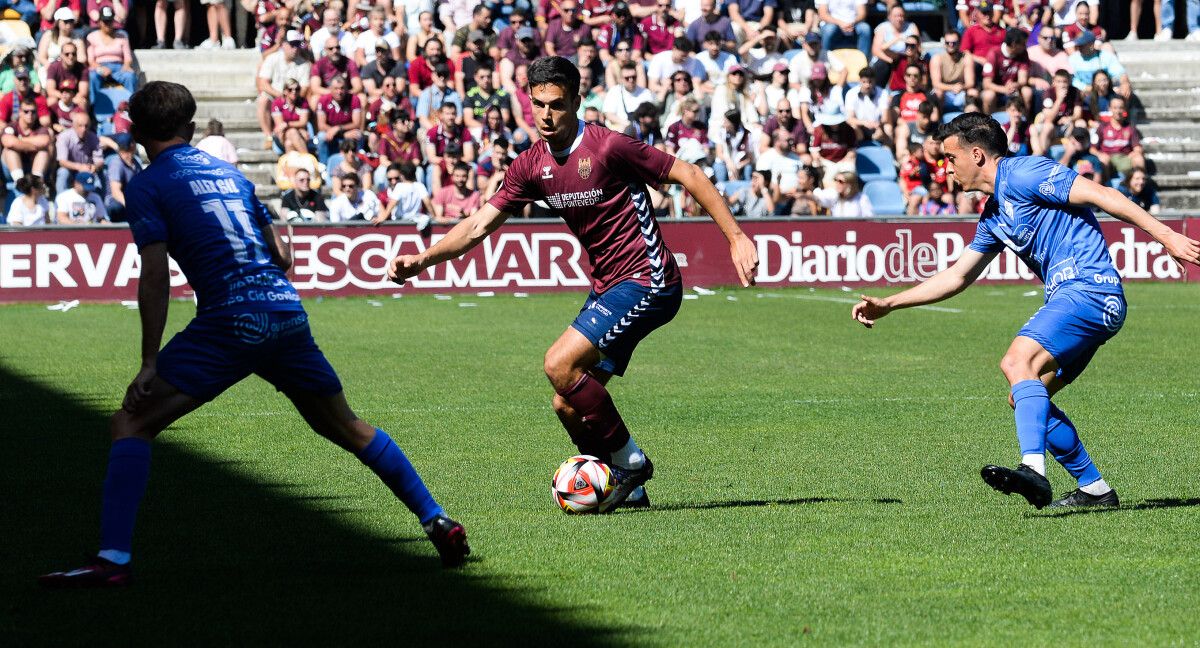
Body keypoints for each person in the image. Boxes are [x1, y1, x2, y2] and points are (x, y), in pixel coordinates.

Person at [37, 81, 469, 588]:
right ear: (191, 128)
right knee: (347, 427)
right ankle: (435, 517)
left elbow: (154, 276)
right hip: (285, 313)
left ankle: (112, 562)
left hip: (229, 319)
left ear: (133, 132)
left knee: (130, 425)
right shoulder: (230, 175)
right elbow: (282, 261)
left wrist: (149, 361)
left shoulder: (147, 185)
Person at [387, 57, 758, 511]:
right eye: (538, 104)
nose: (546, 115)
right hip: (608, 286)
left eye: (557, 105)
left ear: (577, 102)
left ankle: (631, 464)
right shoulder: (529, 165)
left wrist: (736, 237)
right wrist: (422, 261)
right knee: (567, 404)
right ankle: (632, 492)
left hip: (649, 279)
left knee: (558, 364)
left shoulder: (608, 147)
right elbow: (478, 225)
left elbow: (690, 173)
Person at [852, 113, 1200, 510]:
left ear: (978, 154)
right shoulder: (995, 214)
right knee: (1027, 399)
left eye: (951, 158)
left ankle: (1032, 470)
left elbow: (1106, 196)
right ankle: (1096, 490)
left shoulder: (1025, 173)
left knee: (1017, 362)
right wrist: (891, 304)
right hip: (1079, 300)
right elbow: (958, 275)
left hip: (1088, 290)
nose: (946, 168)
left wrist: (1166, 235)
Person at [55, 111, 102, 195]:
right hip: (71, 170)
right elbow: (62, 162)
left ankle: (99, 202)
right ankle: (60, 201)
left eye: (86, 126)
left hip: (87, 169)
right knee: (62, 172)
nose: (83, 129)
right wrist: (79, 167)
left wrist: (94, 167)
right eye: (80, 126)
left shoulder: (93, 137)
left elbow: (99, 160)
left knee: (100, 174)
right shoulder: (64, 137)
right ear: (74, 125)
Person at [106, 132, 142, 222]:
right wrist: (131, 206)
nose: (125, 154)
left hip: (132, 200)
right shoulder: (116, 163)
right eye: (122, 151)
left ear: (133, 147)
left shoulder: (136, 163)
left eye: (127, 150)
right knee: (116, 207)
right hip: (116, 203)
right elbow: (115, 192)